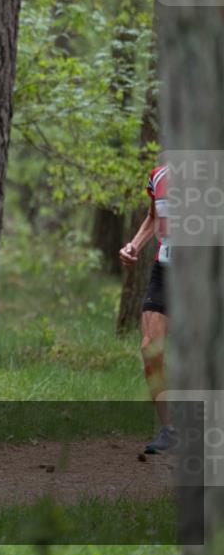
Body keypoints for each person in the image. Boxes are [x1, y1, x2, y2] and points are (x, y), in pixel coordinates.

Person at [119, 163, 176, 454]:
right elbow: (154, 217)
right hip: (166, 269)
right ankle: (170, 430)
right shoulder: (160, 175)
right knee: (150, 349)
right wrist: (134, 245)